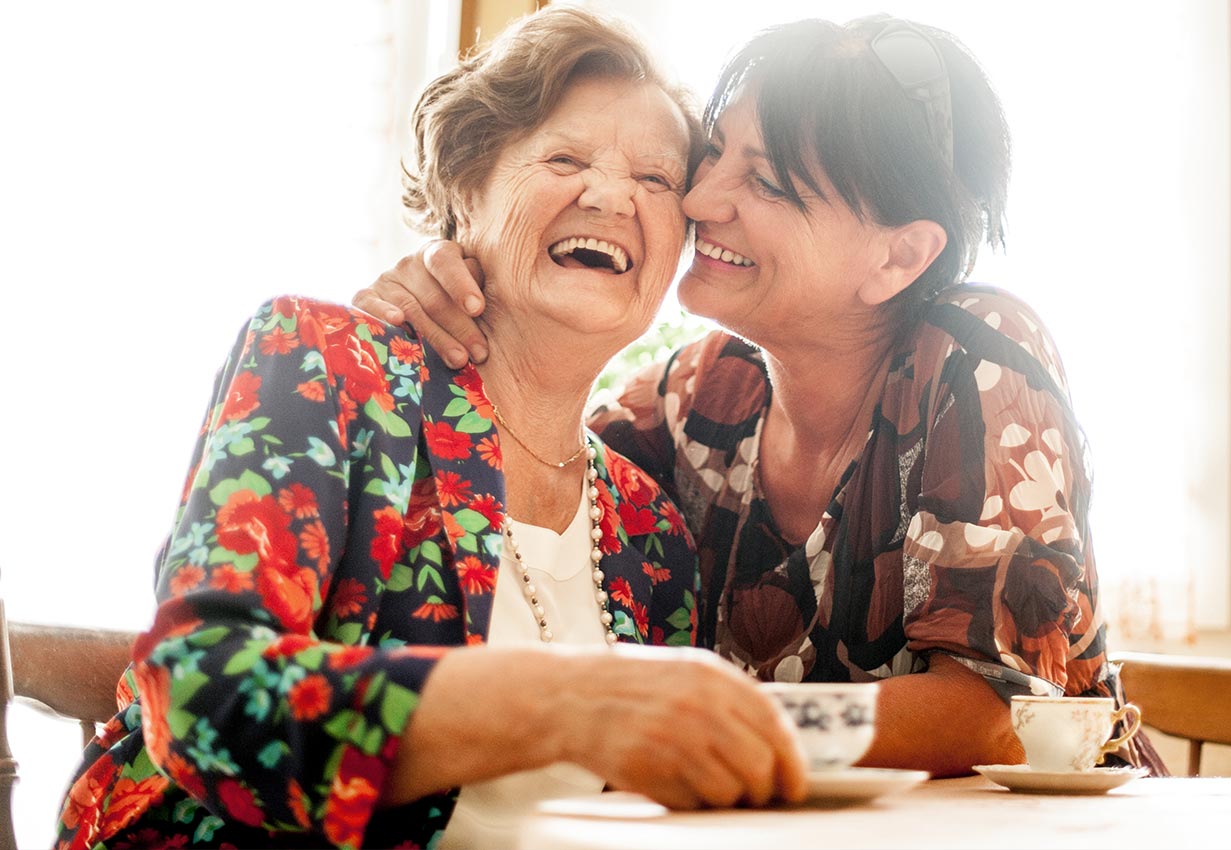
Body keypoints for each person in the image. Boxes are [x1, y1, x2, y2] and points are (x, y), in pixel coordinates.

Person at [54, 8, 810, 850]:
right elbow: (200, 691)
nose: (609, 196)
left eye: (657, 181)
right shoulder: (328, 365)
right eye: (564, 158)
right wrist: (561, 703)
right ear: (464, 190)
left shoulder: (651, 529)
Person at [356, 14, 1165, 776]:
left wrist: (705, 726)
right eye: (713, 155)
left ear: (897, 258)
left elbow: (993, 710)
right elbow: (529, 451)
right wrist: (455, 283)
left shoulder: (976, 353)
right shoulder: (699, 394)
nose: (700, 201)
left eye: (769, 182)